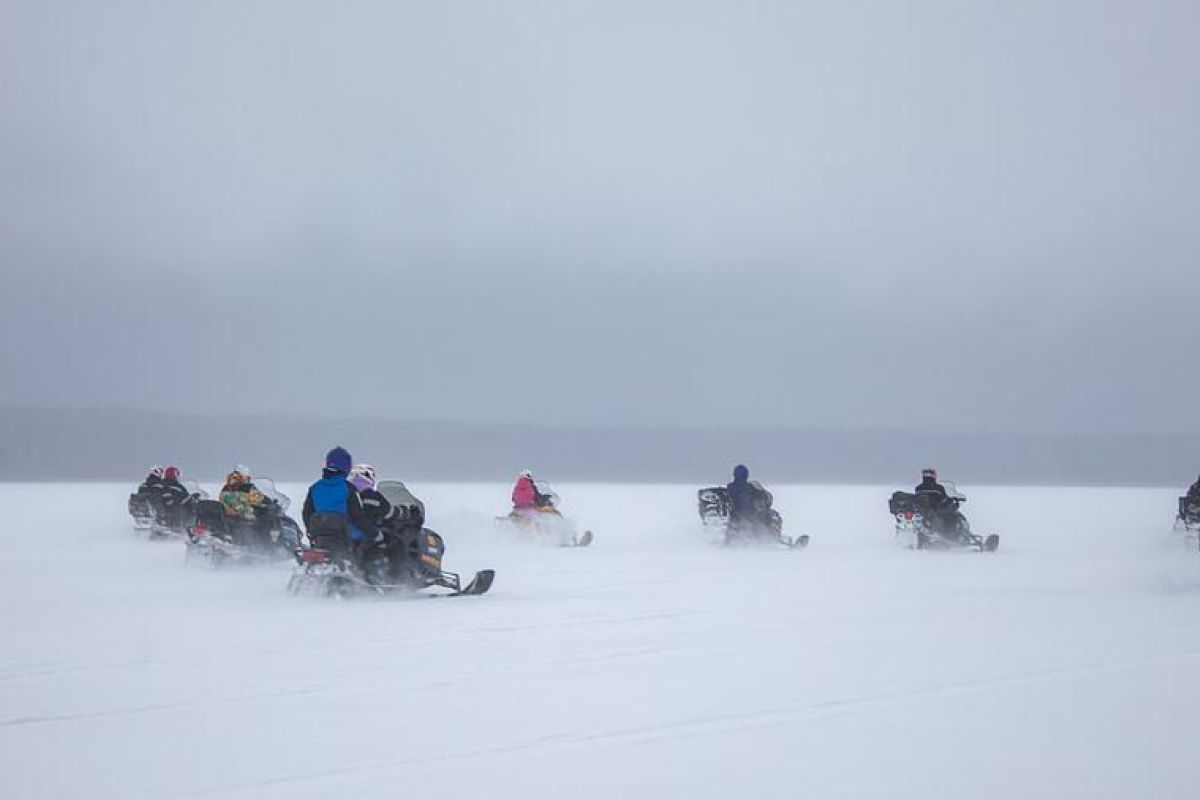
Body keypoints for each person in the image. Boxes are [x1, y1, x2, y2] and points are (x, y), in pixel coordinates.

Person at [302, 447, 377, 565]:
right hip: (343, 533)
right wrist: (374, 532)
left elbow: (307, 513)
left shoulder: (315, 488)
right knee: (371, 542)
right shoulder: (348, 488)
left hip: (319, 534)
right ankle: (365, 572)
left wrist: (311, 531)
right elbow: (357, 516)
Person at [725, 464, 774, 542]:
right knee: (768, 515)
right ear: (746, 475)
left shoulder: (729, 487)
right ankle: (770, 539)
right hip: (751, 517)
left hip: (735, 516)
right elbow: (763, 497)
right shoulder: (752, 488)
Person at [913, 467, 964, 540]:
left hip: (924, 512)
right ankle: (951, 537)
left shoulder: (918, 488)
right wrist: (951, 500)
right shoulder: (938, 488)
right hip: (936, 511)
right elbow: (944, 498)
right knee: (952, 517)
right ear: (934, 476)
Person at [158, 465, 199, 529]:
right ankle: (191, 528)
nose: (178, 477)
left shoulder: (163, 485)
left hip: (169, 510)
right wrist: (192, 497)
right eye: (177, 475)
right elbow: (182, 499)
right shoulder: (175, 487)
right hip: (177, 511)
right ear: (174, 475)